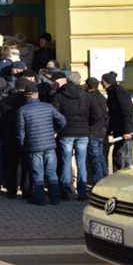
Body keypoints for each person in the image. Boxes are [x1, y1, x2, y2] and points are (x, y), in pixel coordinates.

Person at [17, 82, 67, 205]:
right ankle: (55, 199)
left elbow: (20, 132)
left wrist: (23, 145)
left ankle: (39, 199)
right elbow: (62, 120)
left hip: (33, 146)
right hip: (49, 144)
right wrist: (56, 131)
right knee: (51, 172)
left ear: (26, 95)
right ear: (37, 94)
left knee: (37, 173)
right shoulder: (48, 107)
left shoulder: (22, 110)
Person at [51, 71, 93, 200]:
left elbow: (55, 114)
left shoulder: (58, 95)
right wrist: (88, 127)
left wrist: (58, 128)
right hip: (83, 132)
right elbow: (94, 114)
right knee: (81, 162)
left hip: (66, 132)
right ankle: (82, 192)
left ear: (67, 81)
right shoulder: (86, 96)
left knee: (66, 162)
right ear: (79, 81)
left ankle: (65, 191)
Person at [101, 71, 133, 171]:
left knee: (123, 156)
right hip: (121, 130)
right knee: (120, 155)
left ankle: (127, 180)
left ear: (107, 82)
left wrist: (128, 131)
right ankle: (122, 179)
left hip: (125, 131)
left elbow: (127, 111)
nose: (101, 84)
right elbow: (114, 114)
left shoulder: (118, 91)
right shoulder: (112, 91)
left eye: (102, 82)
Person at [86, 77, 110, 185]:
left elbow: (95, 115)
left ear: (88, 86)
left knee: (95, 158)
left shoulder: (90, 98)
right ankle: (105, 178)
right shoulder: (102, 97)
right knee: (100, 156)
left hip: (93, 131)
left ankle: (98, 181)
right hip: (101, 131)